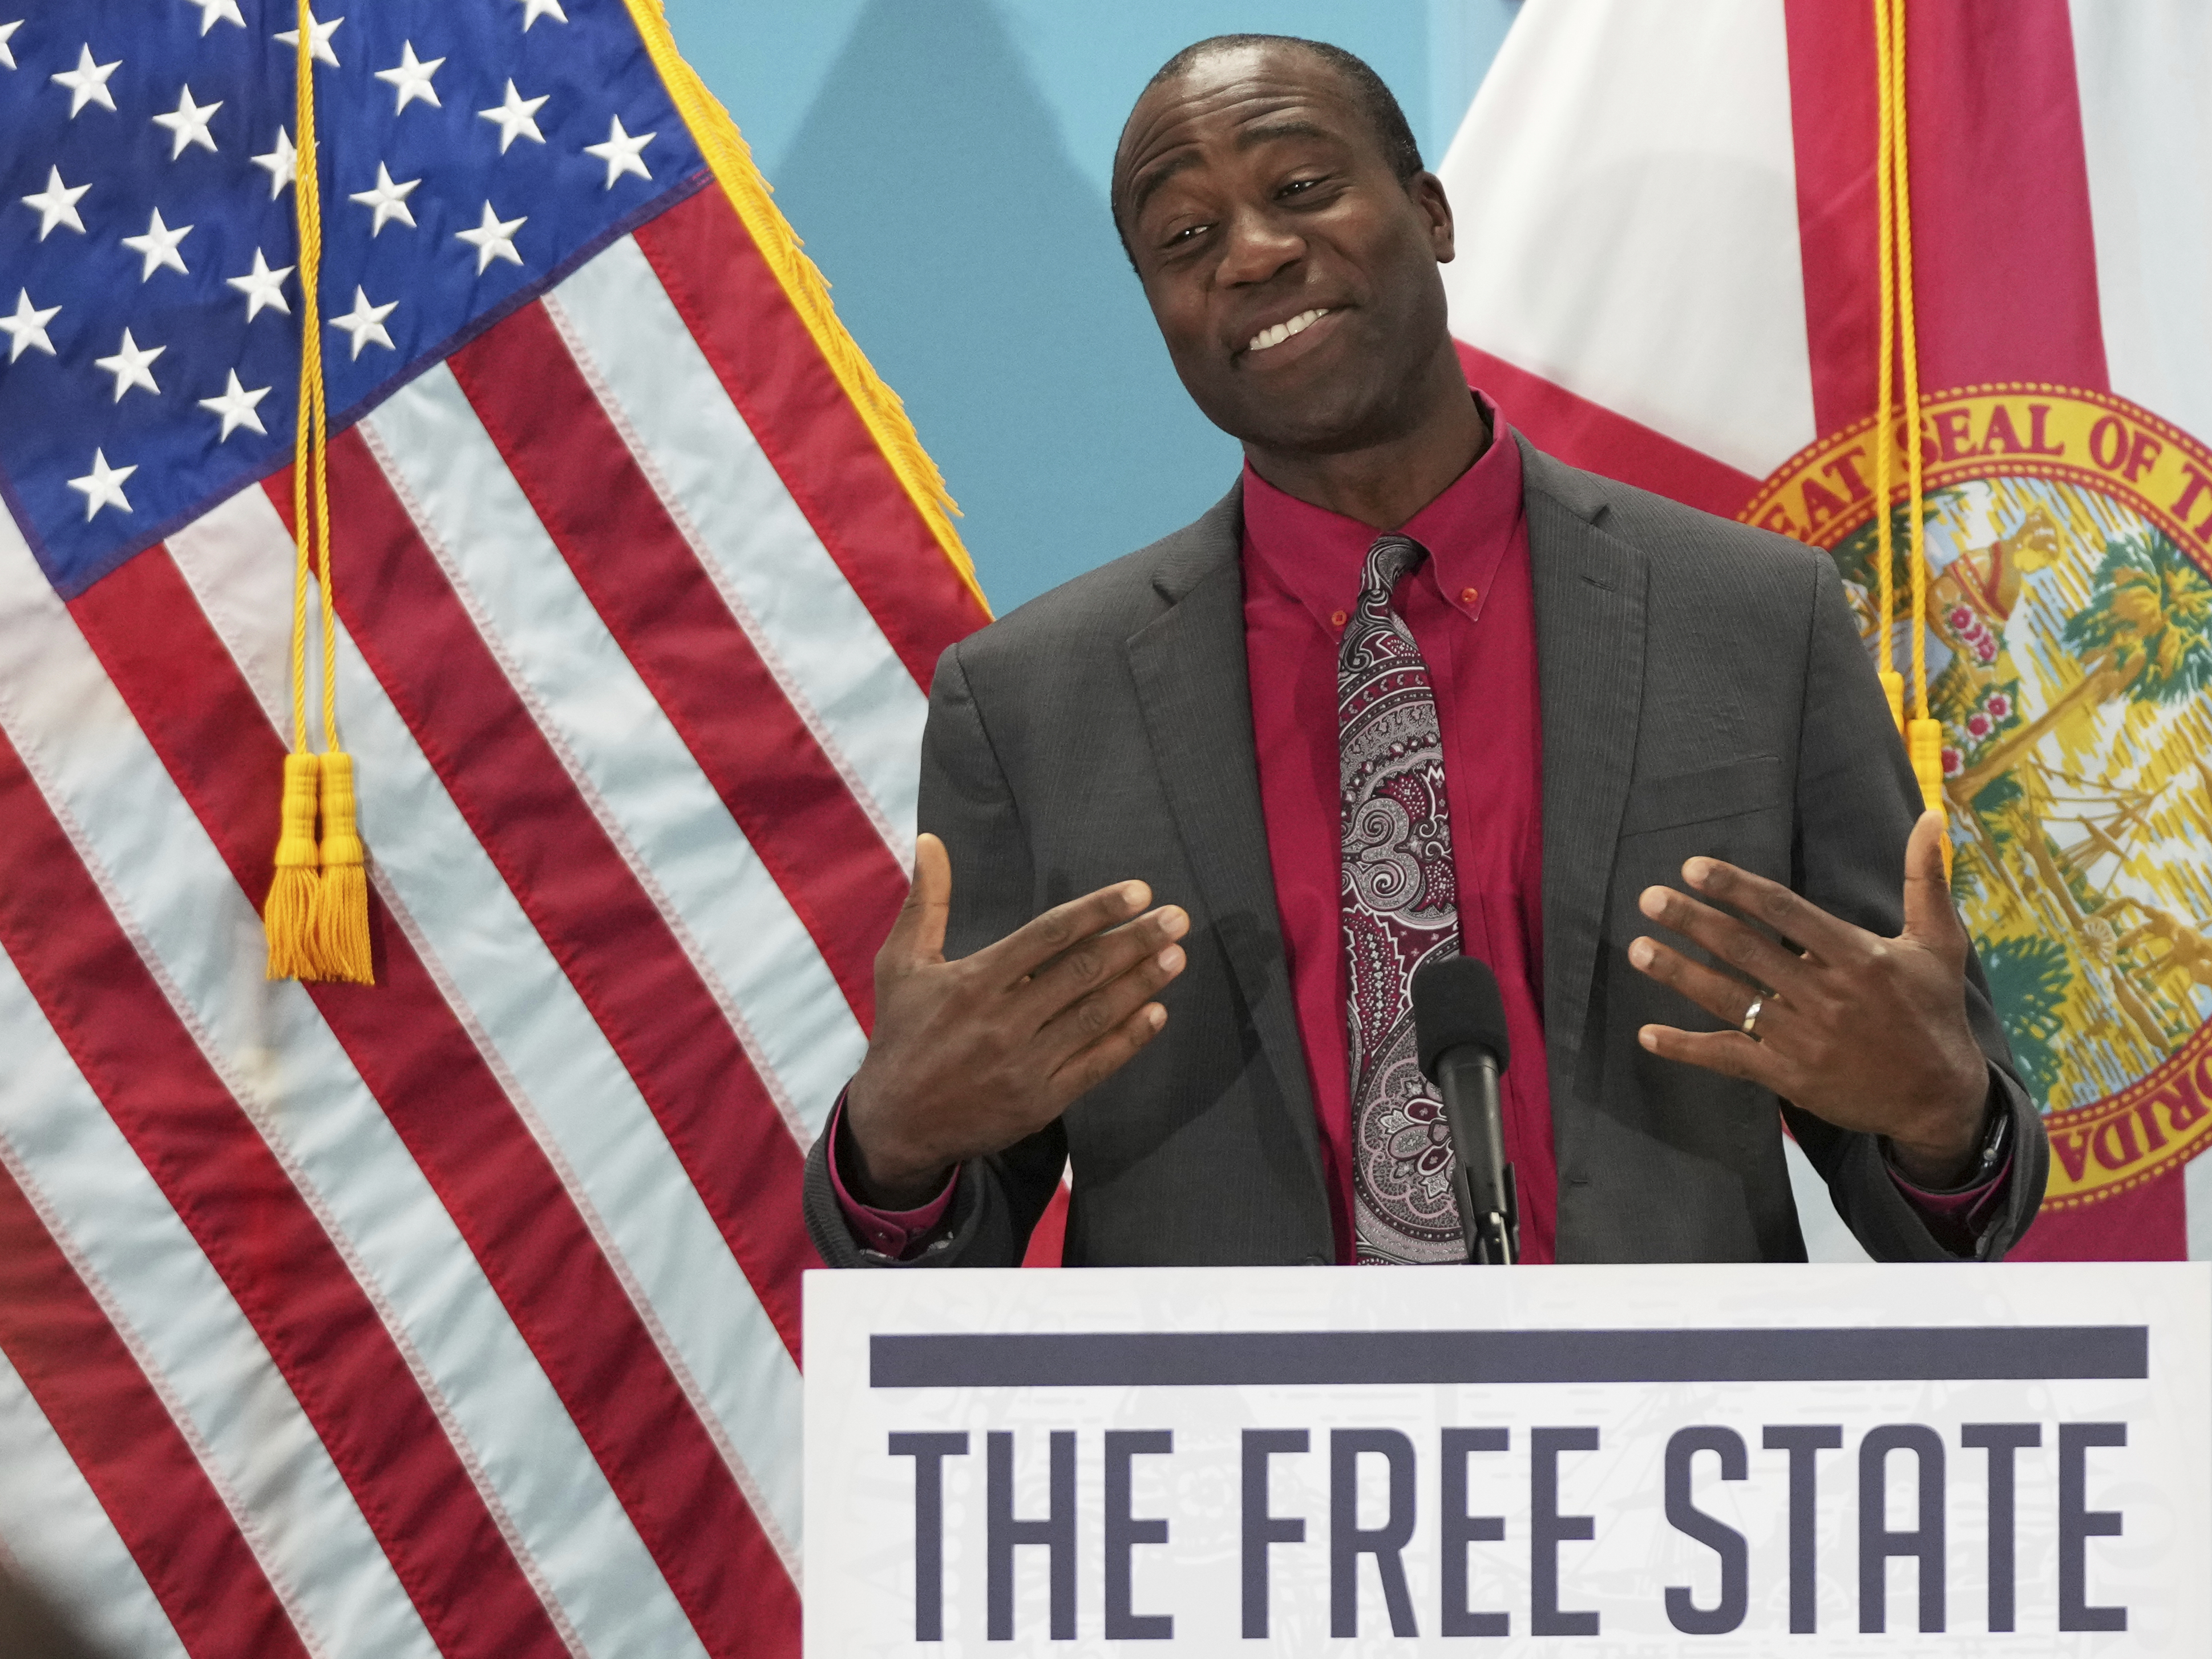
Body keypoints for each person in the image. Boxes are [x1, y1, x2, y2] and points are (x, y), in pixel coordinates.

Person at [802, 34, 2047, 1269]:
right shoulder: (1029, 703)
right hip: (1225, 1454)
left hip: (1671, 1441)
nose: (1254, 253)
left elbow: (1945, 1203)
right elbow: (946, 1250)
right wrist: (896, 1152)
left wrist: (1943, 1117)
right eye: (1185, 239)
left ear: (1432, 214)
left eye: (1299, 189)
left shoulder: (1754, 619)